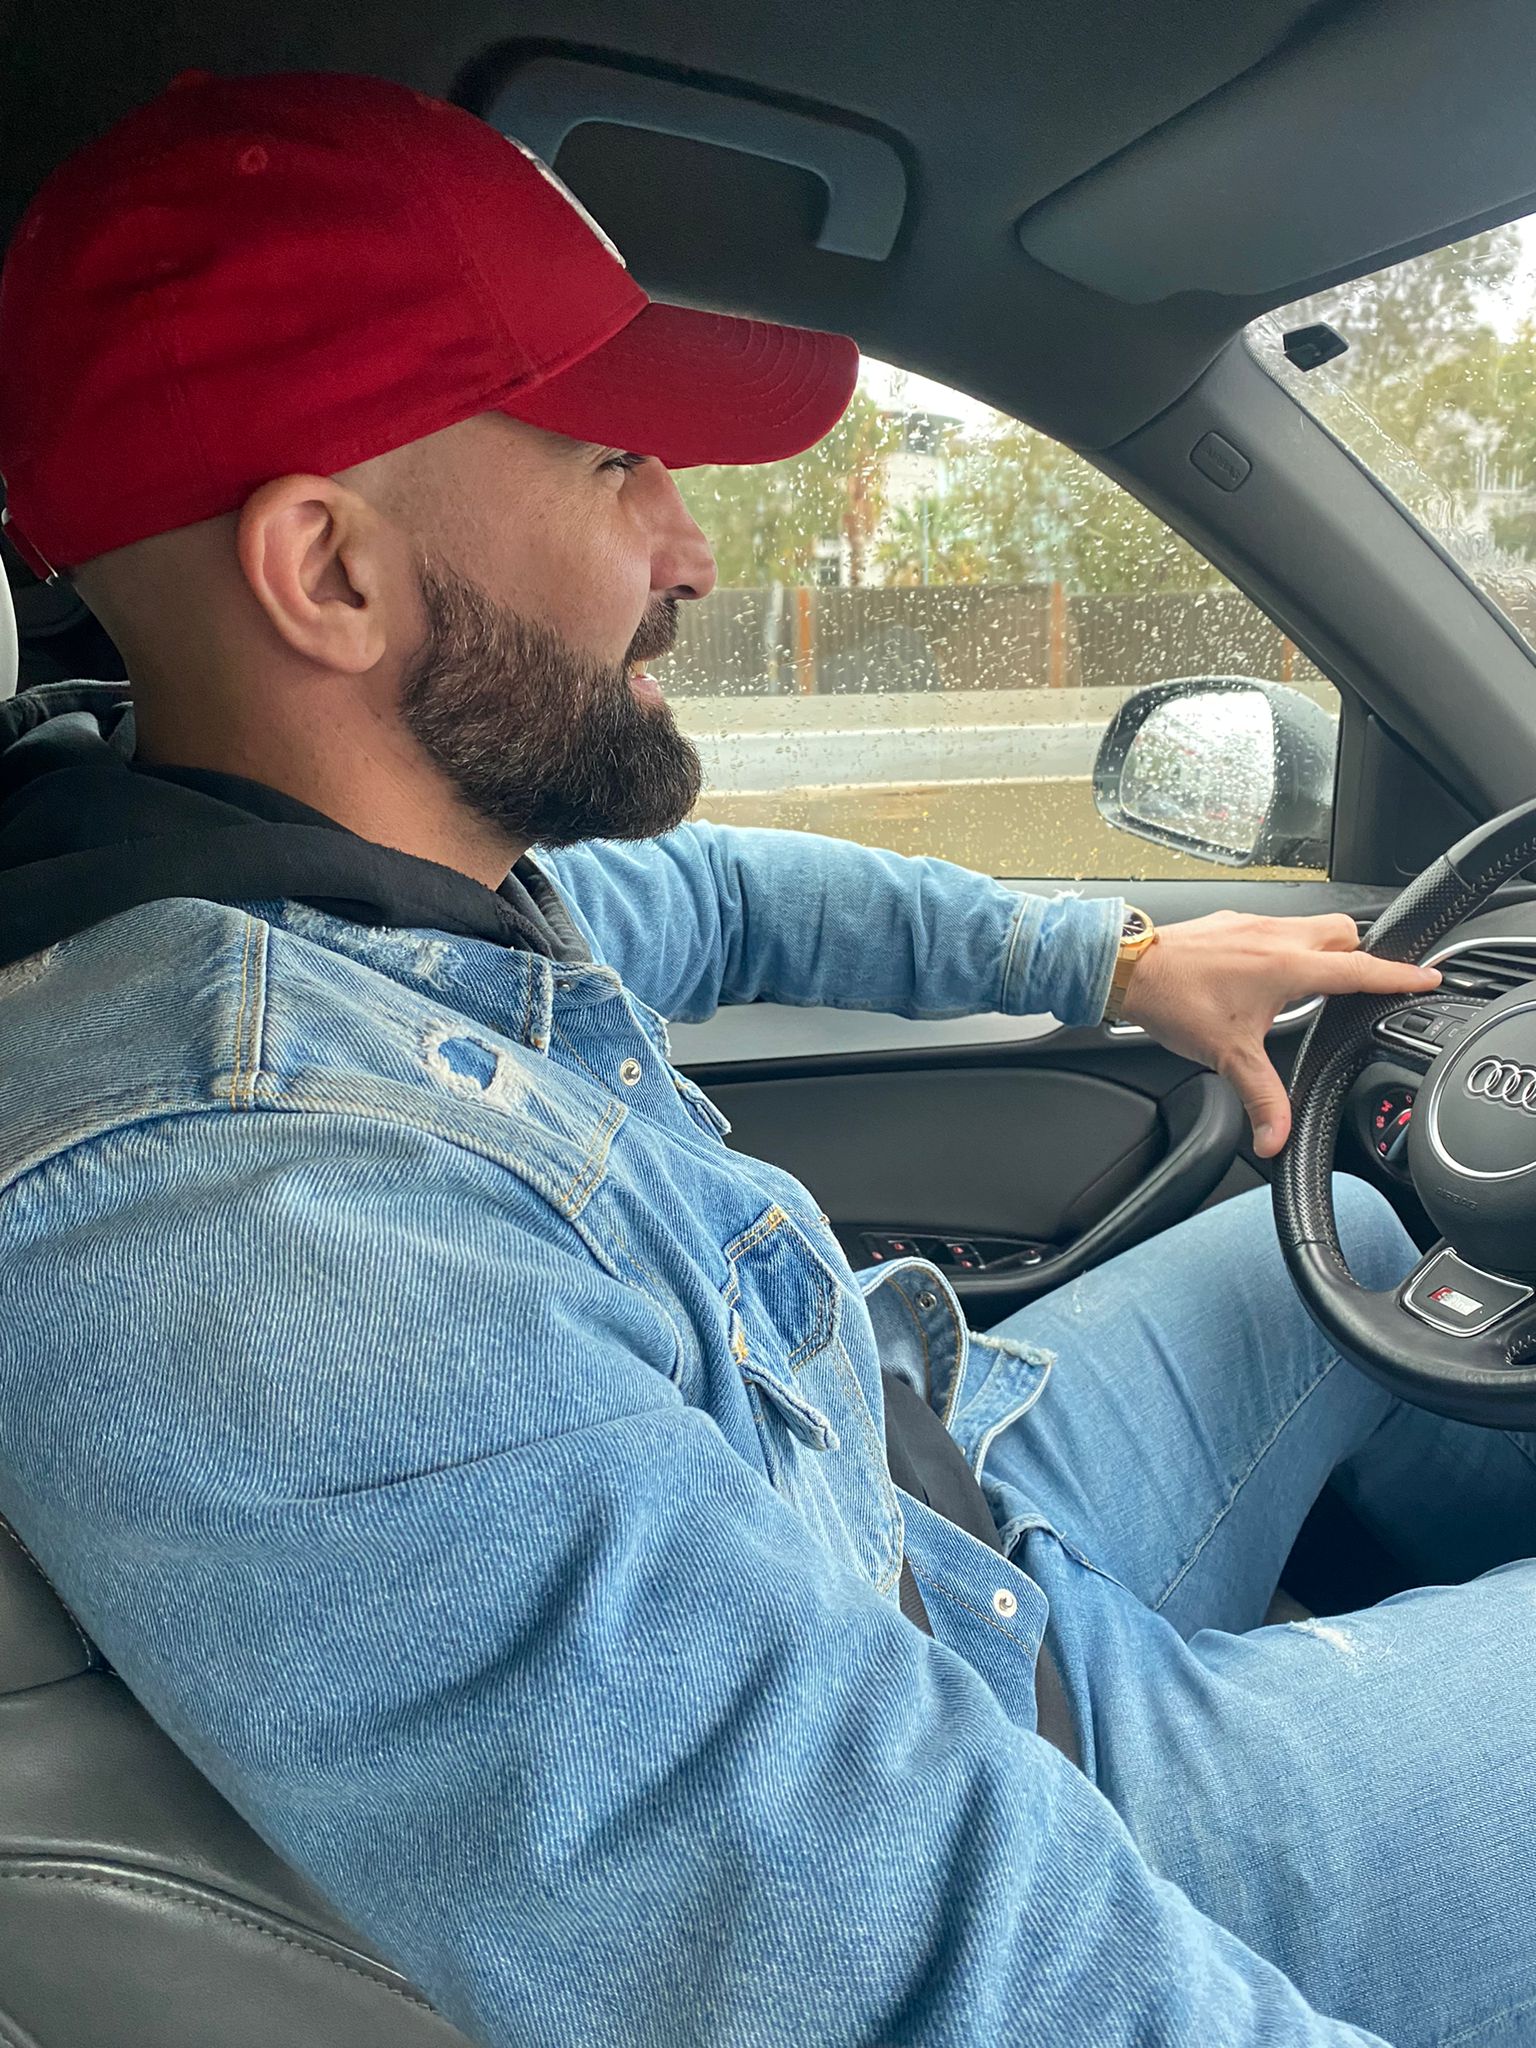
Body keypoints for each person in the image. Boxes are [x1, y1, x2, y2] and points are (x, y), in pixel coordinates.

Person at [0, 69, 1528, 2048]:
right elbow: (922, 1972)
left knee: (1368, 1257)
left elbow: (721, 897)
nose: (693, 549)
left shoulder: (327, 885)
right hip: (1040, 1770)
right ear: (332, 574)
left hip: (919, 1517)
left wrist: (1126, 957)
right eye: (616, 464)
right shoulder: (254, 1214)